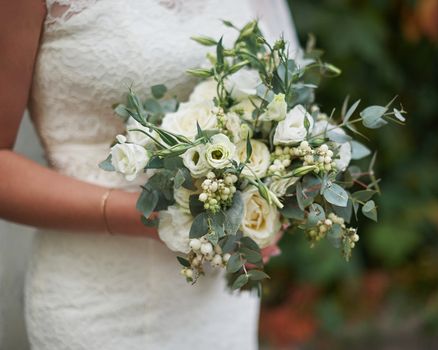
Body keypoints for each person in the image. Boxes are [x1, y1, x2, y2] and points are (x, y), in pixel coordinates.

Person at [0, 0, 298, 348]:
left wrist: (274, 191)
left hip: (217, 296)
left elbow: (279, 98)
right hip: (99, 299)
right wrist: (156, 218)